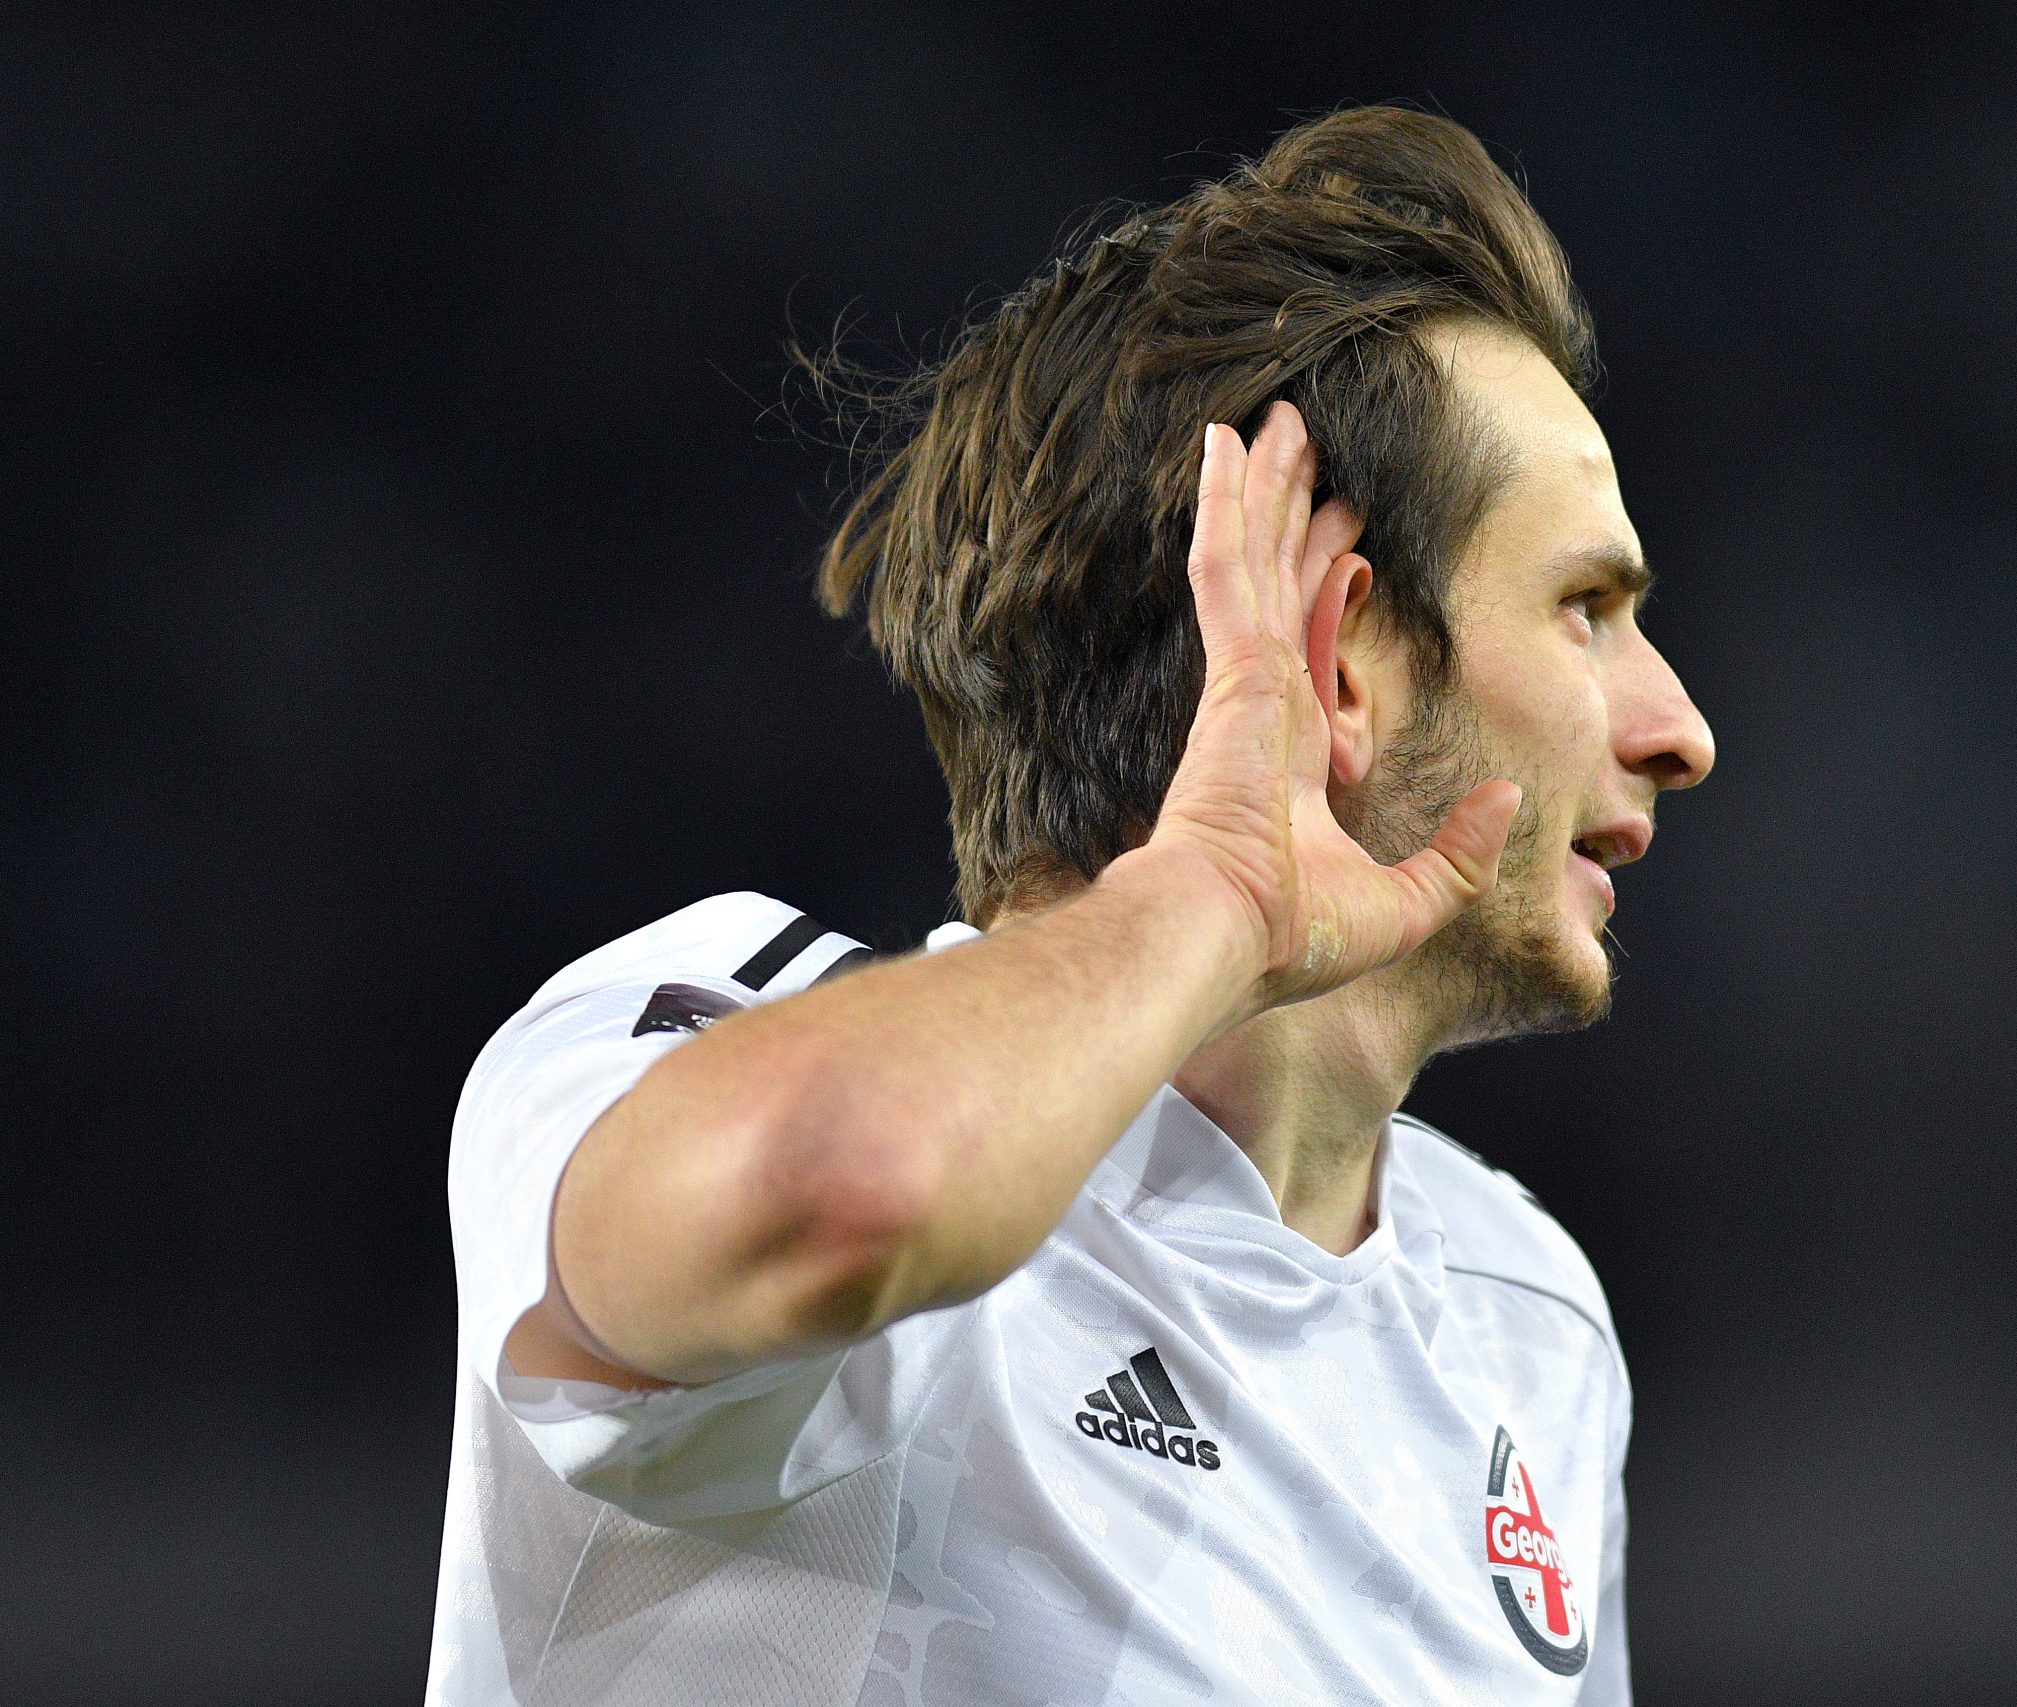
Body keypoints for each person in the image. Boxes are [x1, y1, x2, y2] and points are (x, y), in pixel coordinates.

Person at [427, 104, 1712, 1706]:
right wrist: (1218, 886)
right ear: (1343, 668)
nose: (1678, 727)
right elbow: (850, 1188)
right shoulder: (699, 1031)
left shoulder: (1530, 1320)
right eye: (1587, 608)